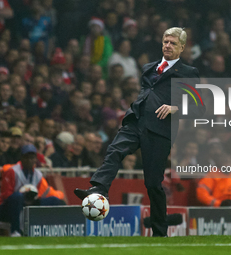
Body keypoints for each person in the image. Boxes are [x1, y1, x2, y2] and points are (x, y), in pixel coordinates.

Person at [74, 27, 205, 237]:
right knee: (114, 150)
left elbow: (199, 104)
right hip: (136, 121)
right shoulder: (149, 68)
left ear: (182, 47)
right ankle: (98, 188)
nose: (167, 45)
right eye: (165, 41)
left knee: (153, 184)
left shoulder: (188, 73)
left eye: (172, 43)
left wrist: (175, 108)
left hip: (160, 130)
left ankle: (160, 232)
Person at [0, 144, 65, 236]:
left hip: (26, 205)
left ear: (36, 159)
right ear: (21, 158)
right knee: (17, 197)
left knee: (54, 200)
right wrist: (24, 197)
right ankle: (15, 231)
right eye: (26, 158)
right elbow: (6, 195)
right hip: (5, 207)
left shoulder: (38, 175)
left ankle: (53, 231)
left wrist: (32, 198)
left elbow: (38, 194)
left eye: (32, 158)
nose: (29, 160)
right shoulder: (12, 171)